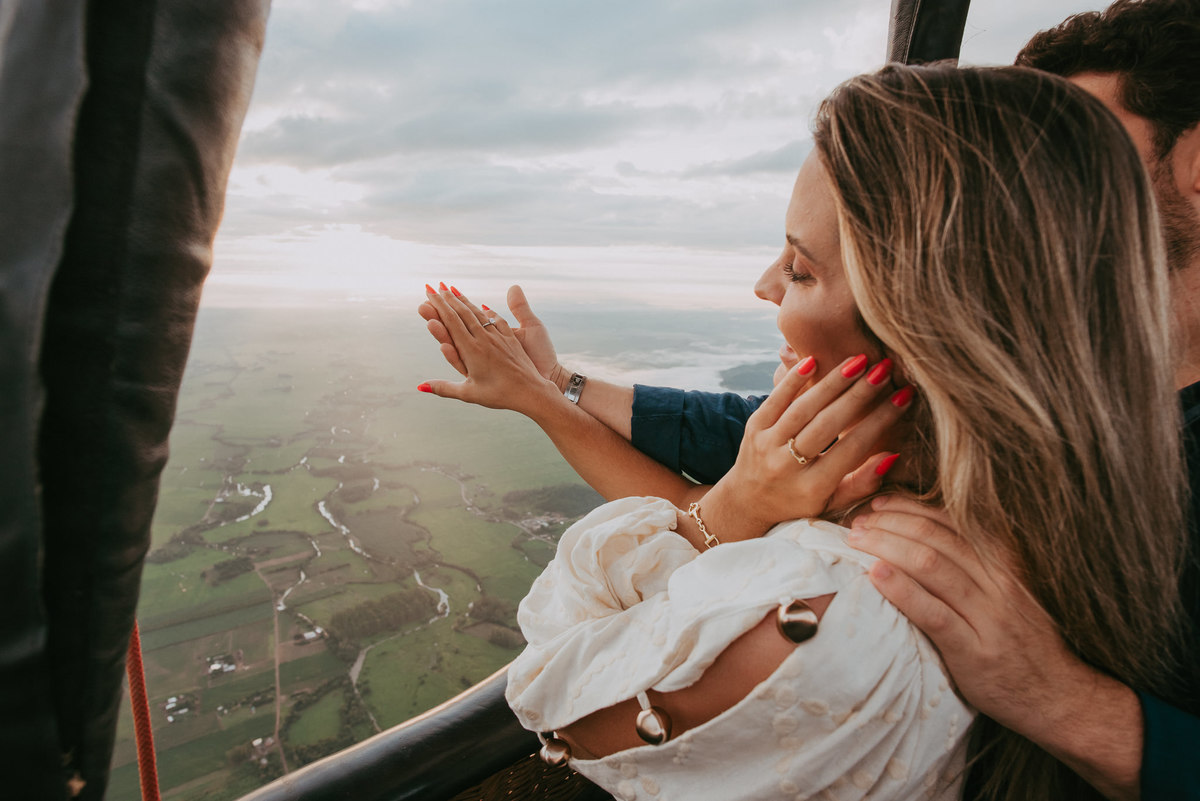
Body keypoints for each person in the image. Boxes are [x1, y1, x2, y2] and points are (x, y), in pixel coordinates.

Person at [418, 63, 1190, 801]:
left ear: (926, 323)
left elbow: (557, 698)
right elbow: (744, 497)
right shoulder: (1068, 502)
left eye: (799, 269)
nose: (763, 286)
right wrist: (551, 396)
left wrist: (724, 513)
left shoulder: (840, 612)